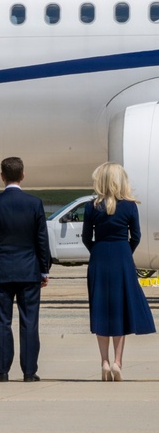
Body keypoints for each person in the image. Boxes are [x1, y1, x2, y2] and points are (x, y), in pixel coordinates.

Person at [0, 156, 50, 382]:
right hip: (29, 271)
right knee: (29, 322)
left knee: (2, 322)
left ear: (2, 177)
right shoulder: (34, 203)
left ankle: (2, 370)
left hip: (1, 271)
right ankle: (29, 371)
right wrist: (44, 269)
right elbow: (42, 240)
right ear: (23, 175)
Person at [82, 162, 155, 381]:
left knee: (101, 309)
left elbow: (86, 237)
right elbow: (137, 236)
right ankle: (117, 362)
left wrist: (97, 251)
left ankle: (104, 361)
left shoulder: (91, 206)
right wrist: (125, 252)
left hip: (99, 257)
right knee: (120, 310)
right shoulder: (130, 206)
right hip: (122, 257)